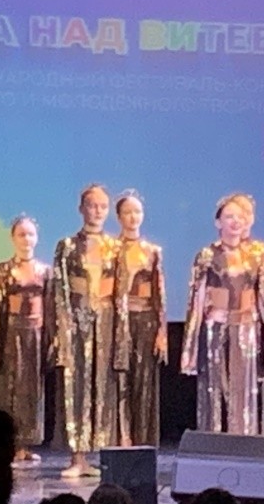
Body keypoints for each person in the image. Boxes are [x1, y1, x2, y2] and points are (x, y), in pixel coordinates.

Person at [181, 193, 264, 434]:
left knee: (244, 390)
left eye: (240, 217)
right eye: (229, 216)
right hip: (215, 330)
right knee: (214, 389)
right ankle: (213, 442)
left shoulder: (258, 253)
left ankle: (244, 442)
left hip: (246, 330)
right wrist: (191, 346)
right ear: (218, 222)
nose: (235, 221)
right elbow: (196, 301)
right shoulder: (206, 255)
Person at [52, 184, 121, 477]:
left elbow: (120, 293)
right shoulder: (67, 245)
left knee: (103, 387)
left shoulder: (115, 247)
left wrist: (121, 331)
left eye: (103, 206)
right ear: (81, 208)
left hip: (105, 323)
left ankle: (98, 455)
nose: (97, 211)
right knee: (76, 386)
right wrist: (63, 326)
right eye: (92, 205)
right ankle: (77, 456)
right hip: (76, 324)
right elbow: (60, 290)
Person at [0, 215, 51, 468]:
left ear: (37, 238)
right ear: (13, 238)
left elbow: (51, 308)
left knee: (31, 392)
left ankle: (25, 445)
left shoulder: (45, 271)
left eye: (31, 234)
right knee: (8, 390)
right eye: (21, 234)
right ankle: (8, 445)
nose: (26, 239)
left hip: (35, 336)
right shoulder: (3, 270)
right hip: (11, 335)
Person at [113, 191, 167, 447]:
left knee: (144, 382)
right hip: (118, 323)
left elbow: (159, 293)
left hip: (146, 321)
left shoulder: (152, 251)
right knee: (120, 380)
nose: (133, 217)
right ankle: (121, 438)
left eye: (137, 212)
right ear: (119, 217)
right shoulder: (111, 250)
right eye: (127, 212)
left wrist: (162, 331)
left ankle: (144, 442)